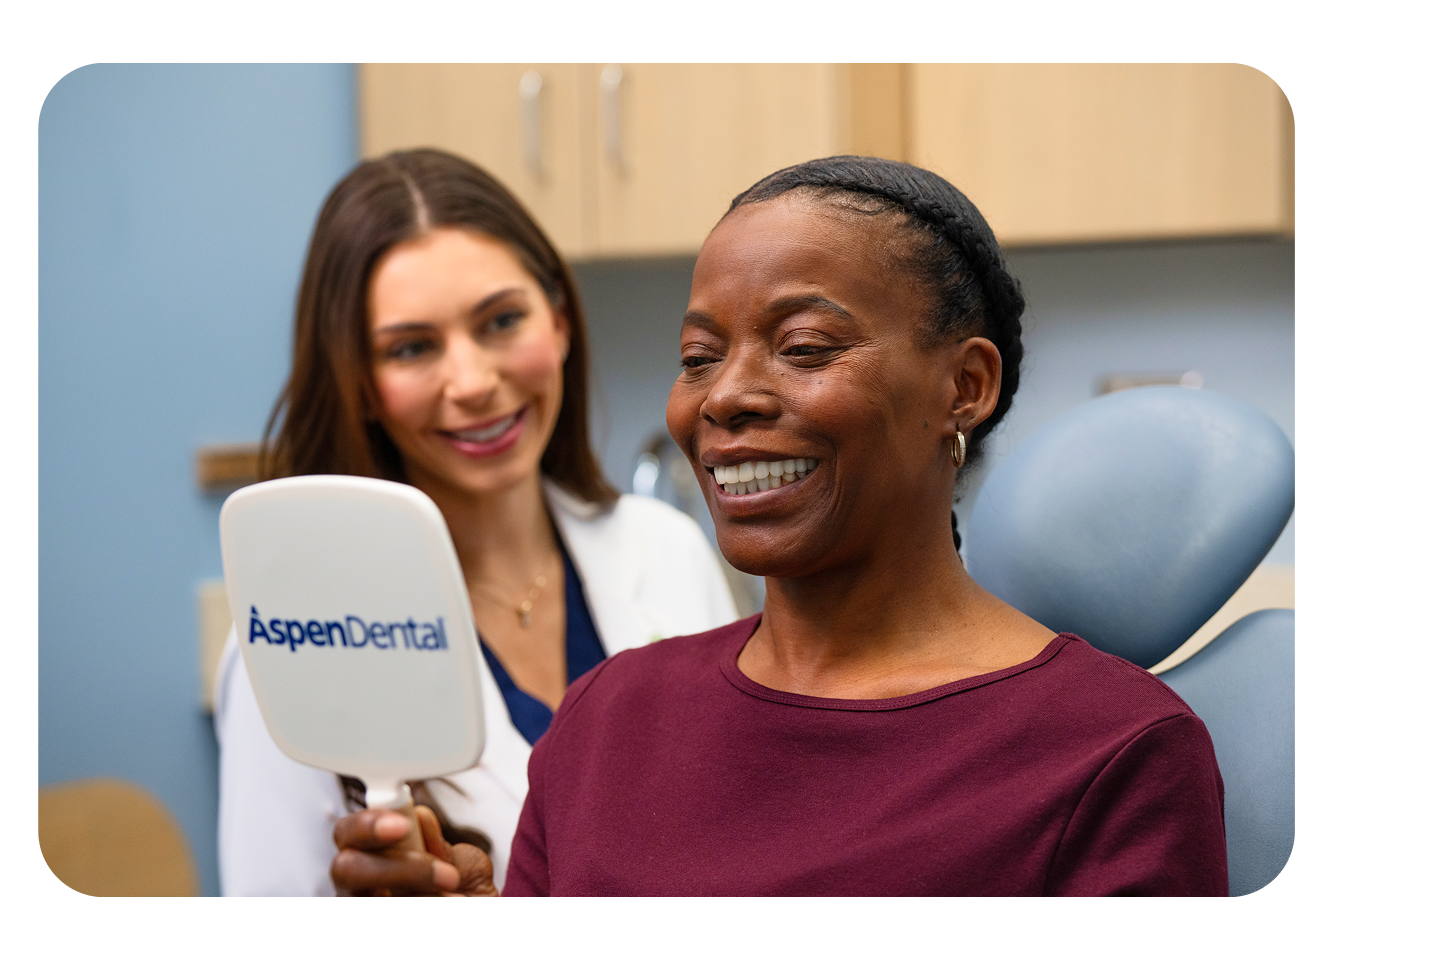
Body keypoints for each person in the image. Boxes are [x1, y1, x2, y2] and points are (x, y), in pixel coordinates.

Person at [328, 156, 1229, 896]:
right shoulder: (608, 719)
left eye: (803, 348)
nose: (725, 396)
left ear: (966, 387)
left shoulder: (1115, 754)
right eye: (697, 357)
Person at [213, 148, 738, 895]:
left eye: (500, 321)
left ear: (557, 322)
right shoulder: (297, 630)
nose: (473, 382)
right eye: (413, 348)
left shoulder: (670, 550)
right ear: (360, 384)